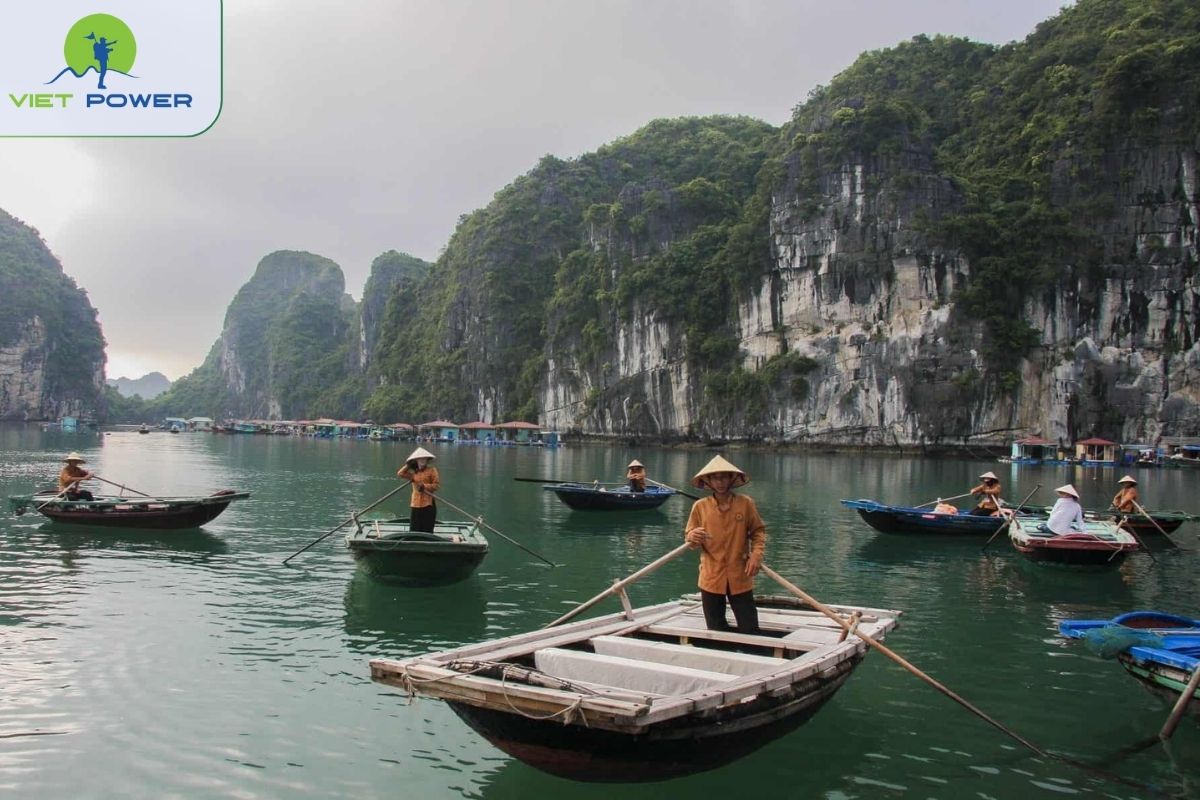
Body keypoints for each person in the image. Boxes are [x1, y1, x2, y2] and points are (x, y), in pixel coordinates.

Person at [683, 455, 766, 635]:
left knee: (750, 628)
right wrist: (692, 536)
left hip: (740, 574)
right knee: (715, 629)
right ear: (709, 481)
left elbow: (758, 532)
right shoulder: (700, 507)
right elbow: (689, 541)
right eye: (715, 477)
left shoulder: (745, 504)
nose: (720, 482)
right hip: (711, 576)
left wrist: (756, 555)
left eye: (724, 477)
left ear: (731, 479)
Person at [397, 447, 440, 532]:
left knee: (427, 529)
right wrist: (409, 464)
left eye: (424, 458)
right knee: (414, 528)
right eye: (420, 458)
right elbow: (400, 473)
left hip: (428, 503)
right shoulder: (413, 473)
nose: (422, 460)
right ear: (416, 460)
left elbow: (436, 485)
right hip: (416, 503)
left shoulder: (432, 470)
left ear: (427, 460)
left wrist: (424, 486)